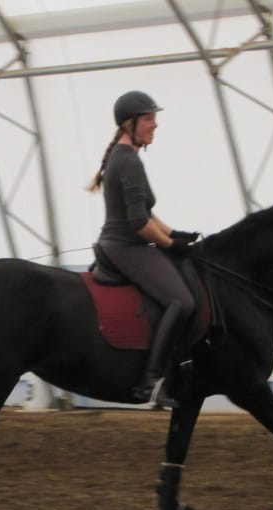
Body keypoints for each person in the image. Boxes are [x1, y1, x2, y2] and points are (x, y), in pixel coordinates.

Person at [88, 90, 199, 406]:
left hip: (121, 242)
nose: (155, 125)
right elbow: (138, 222)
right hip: (126, 246)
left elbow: (146, 213)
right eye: (149, 118)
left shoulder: (122, 157)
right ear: (130, 123)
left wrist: (175, 233)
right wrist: (168, 244)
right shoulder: (128, 161)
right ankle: (151, 381)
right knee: (182, 301)